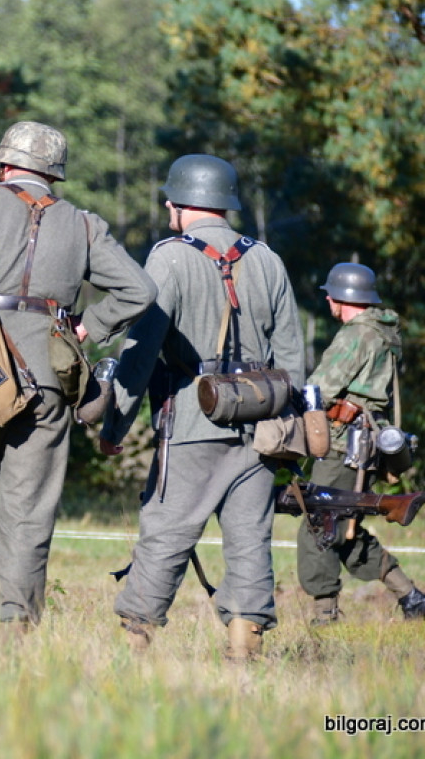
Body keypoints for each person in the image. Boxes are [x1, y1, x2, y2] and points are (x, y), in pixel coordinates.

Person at [0, 121, 156, 629]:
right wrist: (87, 328)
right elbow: (140, 290)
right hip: (47, 378)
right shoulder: (83, 225)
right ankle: (15, 625)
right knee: (28, 510)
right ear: (54, 174)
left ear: (4, 165)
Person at [99, 154, 304, 660]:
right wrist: (286, 429)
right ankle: (244, 653)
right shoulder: (268, 259)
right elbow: (293, 359)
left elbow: (141, 353)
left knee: (166, 534)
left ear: (179, 202)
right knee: (250, 540)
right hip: (261, 427)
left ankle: (135, 650)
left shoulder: (169, 257)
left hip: (191, 421)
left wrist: (114, 425)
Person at [297, 262, 425, 622]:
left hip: (343, 445)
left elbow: (320, 387)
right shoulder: (383, 332)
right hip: (365, 444)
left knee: (319, 526)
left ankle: (325, 618)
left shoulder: (356, 334)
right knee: (343, 529)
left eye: (331, 295)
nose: (327, 300)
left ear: (344, 297)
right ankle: (411, 597)